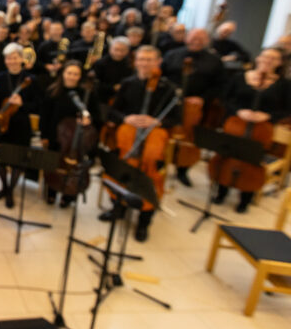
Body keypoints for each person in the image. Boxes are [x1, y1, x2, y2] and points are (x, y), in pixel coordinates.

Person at [106, 46, 179, 242]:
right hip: (128, 142)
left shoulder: (167, 88)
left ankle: (144, 222)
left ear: (158, 62)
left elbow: (176, 118)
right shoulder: (128, 84)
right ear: (135, 62)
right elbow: (113, 112)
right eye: (141, 59)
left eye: (149, 60)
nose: (145, 63)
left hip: (151, 146)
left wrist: (157, 122)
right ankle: (117, 209)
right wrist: (126, 118)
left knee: (151, 182)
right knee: (118, 172)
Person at [211, 48, 291, 212]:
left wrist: (267, 116)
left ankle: (245, 198)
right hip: (236, 123)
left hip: (262, 129)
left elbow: (287, 110)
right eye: (265, 56)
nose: (268, 60)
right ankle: (221, 191)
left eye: (273, 58)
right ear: (258, 57)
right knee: (228, 154)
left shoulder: (284, 85)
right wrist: (239, 111)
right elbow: (226, 98)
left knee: (253, 159)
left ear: (280, 63)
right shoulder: (240, 77)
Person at [162, 28, 223, 186]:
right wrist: (171, 92)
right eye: (194, 37)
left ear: (207, 41)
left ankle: (183, 170)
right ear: (187, 38)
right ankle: (161, 162)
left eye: (201, 38)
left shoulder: (214, 61)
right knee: (164, 133)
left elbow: (220, 86)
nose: (197, 40)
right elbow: (162, 76)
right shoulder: (172, 55)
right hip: (171, 102)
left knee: (191, 138)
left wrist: (202, 98)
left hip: (197, 108)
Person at [41, 61, 99, 207]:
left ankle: (69, 195)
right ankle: (52, 191)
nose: (72, 77)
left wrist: (88, 120)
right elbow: (45, 115)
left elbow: (96, 116)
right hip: (57, 137)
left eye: (76, 74)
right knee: (53, 165)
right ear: (63, 74)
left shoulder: (86, 94)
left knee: (73, 167)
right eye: (69, 73)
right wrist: (44, 136)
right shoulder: (52, 91)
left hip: (77, 138)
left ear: (80, 76)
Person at [0, 43, 42, 208]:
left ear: (21, 58)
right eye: (8, 58)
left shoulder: (31, 79)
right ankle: (4, 186)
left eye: (15, 57)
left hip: (21, 125)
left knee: (17, 161)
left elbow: (38, 105)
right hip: (3, 125)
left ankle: (10, 190)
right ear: (5, 60)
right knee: (0, 159)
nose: (12, 61)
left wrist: (22, 104)